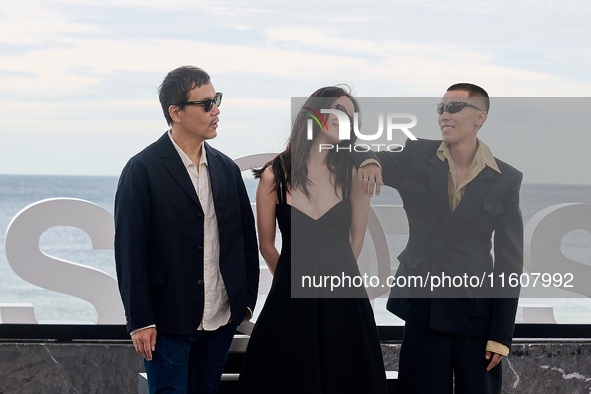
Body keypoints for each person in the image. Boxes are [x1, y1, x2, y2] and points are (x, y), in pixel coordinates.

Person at [356, 83, 523, 393]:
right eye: (441, 108)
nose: (444, 115)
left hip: (476, 312)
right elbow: (356, 148)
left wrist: (501, 334)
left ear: (480, 117)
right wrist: (369, 161)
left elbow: (510, 261)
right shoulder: (415, 154)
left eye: (454, 107)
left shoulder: (506, 178)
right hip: (423, 308)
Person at [114, 66, 259, 393]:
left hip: (220, 320)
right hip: (167, 324)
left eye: (217, 100)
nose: (216, 110)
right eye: (206, 103)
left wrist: (244, 302)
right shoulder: (142, 170)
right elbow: (130, 252)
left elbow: (243, 241)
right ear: (175, 112)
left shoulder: (226, 169)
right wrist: (140, 321)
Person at [237, 86, 389, 393]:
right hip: (290, 298)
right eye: (337, 111)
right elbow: (266, 244)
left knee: (347, 377)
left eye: (350, 116)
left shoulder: (353, 173)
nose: (344, 120)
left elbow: (356, 238)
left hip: (344, 297)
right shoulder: (274, 176)